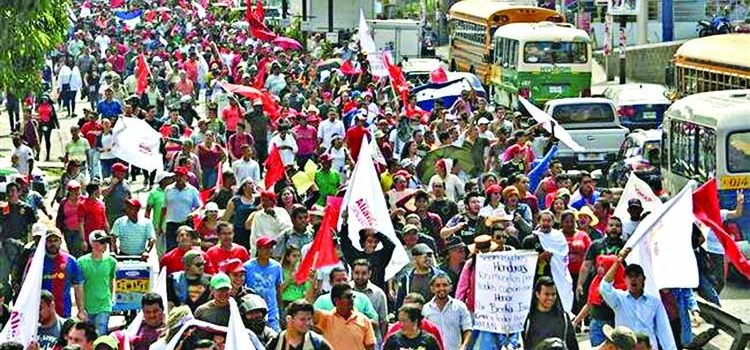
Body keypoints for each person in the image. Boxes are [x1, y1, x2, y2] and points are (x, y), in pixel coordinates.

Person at [600, 248, 676, 350]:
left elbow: (664, 329)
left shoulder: (654, 302)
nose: (633, 279)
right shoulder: (619, 299)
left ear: (643, 279)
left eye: (636, 276)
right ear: (625, 279)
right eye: (629, 276)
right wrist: (618, 262)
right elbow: (604, 288)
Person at [305, 281, 376, 350]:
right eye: (348, 297)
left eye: (353, 296)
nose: (352, 300)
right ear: (336, 300)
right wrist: (312, 282)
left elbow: (370, 347)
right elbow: (307, 309)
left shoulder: (364, 320)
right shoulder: (326, 318)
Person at [77, 230, 117, 336]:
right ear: (93, 243)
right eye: (102, 242)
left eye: (106, 242)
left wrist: (111, 299)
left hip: (104, 305)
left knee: (101, 334)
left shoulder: (111, 262)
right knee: (88, 337)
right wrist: (81, 309)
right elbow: (79, 287)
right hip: (88, 306)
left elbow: (111, 281)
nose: (105, 245)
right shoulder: (81, 262)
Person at [522, 277, 579, 350]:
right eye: (546, 294)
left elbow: (573, 345)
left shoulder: (563, 317)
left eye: (553, 294)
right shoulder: (528, 319)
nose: (550, 298)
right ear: (537, 294)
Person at [41, 228, 85, 320]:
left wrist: (80, 310)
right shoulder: (37, 261)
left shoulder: (70, 261)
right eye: (49, 241)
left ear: (61, 241)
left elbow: (78, 286)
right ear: (44, 242)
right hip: (41, 312)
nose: (53, 244)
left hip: (63, 311)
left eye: (56, 240)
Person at [244, 236, 284, 331]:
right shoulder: (247, 267)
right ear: (258, 249)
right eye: (265, 248)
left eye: (270, 248)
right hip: (254, 312)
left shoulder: (276, 267)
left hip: (272, 312)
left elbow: (278, 289)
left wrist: (280, 310)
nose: (268, 250)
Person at [422, 274, 473, 350]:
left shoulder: (460, 306)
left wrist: (464, 346)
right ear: (432, 288)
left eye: (445, 285)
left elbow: (467, 329)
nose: (441, 288)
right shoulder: (426, 309)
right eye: (438, 286)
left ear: (450, 287)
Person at [161, 167, 202, 251]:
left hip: (186, 223)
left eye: (181, 176)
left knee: (187, 248)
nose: (179, 178)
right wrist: (160, 224)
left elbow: (199, 206)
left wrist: (194, 213)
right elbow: (164, 207)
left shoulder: (192, 190)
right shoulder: (168, 189)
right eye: (177, 176)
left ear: (186, 177)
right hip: (171, 224)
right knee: (171, 249)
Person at [265, 300, 332, 350]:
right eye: (302, 319)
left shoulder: (317, 343)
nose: (307, 323)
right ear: (290, 319)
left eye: (309, 319)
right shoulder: (276, 342)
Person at [396, 243, 444, 308]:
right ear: (415, 258)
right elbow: (400, 301)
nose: (428, 259)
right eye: (425, 256)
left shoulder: (440, 275)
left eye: (430, 256)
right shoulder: (406, 278)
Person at [247, 191, 293, 256]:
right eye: (262, 201)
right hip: (263, 250)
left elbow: (288, 229)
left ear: (273, 201)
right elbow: (254, 236)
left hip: (279, 250)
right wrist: (253, 252)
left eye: (266, 201)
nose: (264, 203)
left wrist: (275, 217)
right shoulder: (258, 215)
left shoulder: (281, 211)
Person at [146, 172, 174, 255]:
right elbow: (148, 211)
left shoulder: (172, 191)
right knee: (161, 251)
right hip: (158, 227)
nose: (171, 180)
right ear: (163, 181)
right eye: (169, 178)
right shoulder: (154, 193)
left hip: (171, 225)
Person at [102, 163, 131, 227]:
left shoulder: (126, 182)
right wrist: (112, 185)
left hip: (124, 213)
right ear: (116, 173)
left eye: (124, 171)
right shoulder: (107, 181)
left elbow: (130, 198)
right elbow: (104, 194)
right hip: (111, 214)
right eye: (122, 171)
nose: (124, 173)